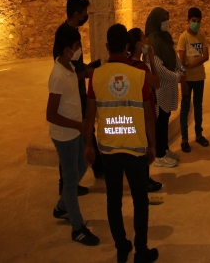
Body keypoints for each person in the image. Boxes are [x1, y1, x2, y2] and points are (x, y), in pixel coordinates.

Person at [84, 24, 159, 263]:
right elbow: (148, 116)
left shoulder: (96, 76)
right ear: (127, 46)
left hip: (109, 149)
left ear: (107, 46)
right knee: (140, 201)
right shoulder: (138, 75)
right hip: (136, 147)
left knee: (113, 200)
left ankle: (121, 246)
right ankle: (141, 250)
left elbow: (89, 116)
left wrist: (88, 145)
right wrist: (153, 145)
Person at [46, 24, 99, 246]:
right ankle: (77, 228)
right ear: (68, 49)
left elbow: (75, 80)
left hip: (75, 130)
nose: (79, 49)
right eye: (77, 45)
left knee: (82, 165)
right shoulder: (57, 75)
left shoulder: (67, 67)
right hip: (64, 135)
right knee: (70, 179)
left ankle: (61, 206)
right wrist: (78, 125)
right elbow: (51, 114)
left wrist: (87, 73)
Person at [53, 0, 101, 199]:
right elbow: (67, 70)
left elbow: (76, 65)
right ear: (75, 14)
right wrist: (86, 74)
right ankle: (65, 186)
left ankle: (98, 167)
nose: (86, 16)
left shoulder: (73, 33)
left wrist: (87, 68)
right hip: (72, 94)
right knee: (74, 138)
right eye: (84, 13)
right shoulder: (64, 36)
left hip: (79, 90)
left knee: (88, 128)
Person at [144, 7, 185, 168]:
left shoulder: (165, 37)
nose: (166, 22)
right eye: (163, 19)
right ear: (156, 21)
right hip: (160, 88)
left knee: (165, 118)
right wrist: (177, 77)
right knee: (159, 121)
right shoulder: (152, 42)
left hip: (168, 88)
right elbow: (158, 68)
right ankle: (159, 155)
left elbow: (173, 56)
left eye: (167, 18)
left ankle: (164, 148)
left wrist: (181, 69)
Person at [127, 27, 164, 199]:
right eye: (143, 38)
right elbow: (156, 82)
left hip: (133, 110)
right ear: (138, 44)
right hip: (143, 110)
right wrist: (152, 60)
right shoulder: (141, 66)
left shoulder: (127, 63)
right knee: (146, 146)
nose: (147, 41)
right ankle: (144, 180)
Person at [177, 7, 210, 153]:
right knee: (185, 107)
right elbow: (181, 59)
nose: (196, 24)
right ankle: (184, 139)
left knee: (198, 106)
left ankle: (199, 135)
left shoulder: (201, 37)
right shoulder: (183, 37)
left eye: (198, 21)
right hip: (188, 78)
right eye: (194, 21)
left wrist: (192, 64)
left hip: (199, 77)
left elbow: (206, 56)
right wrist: (185, 70)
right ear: (188, 20)